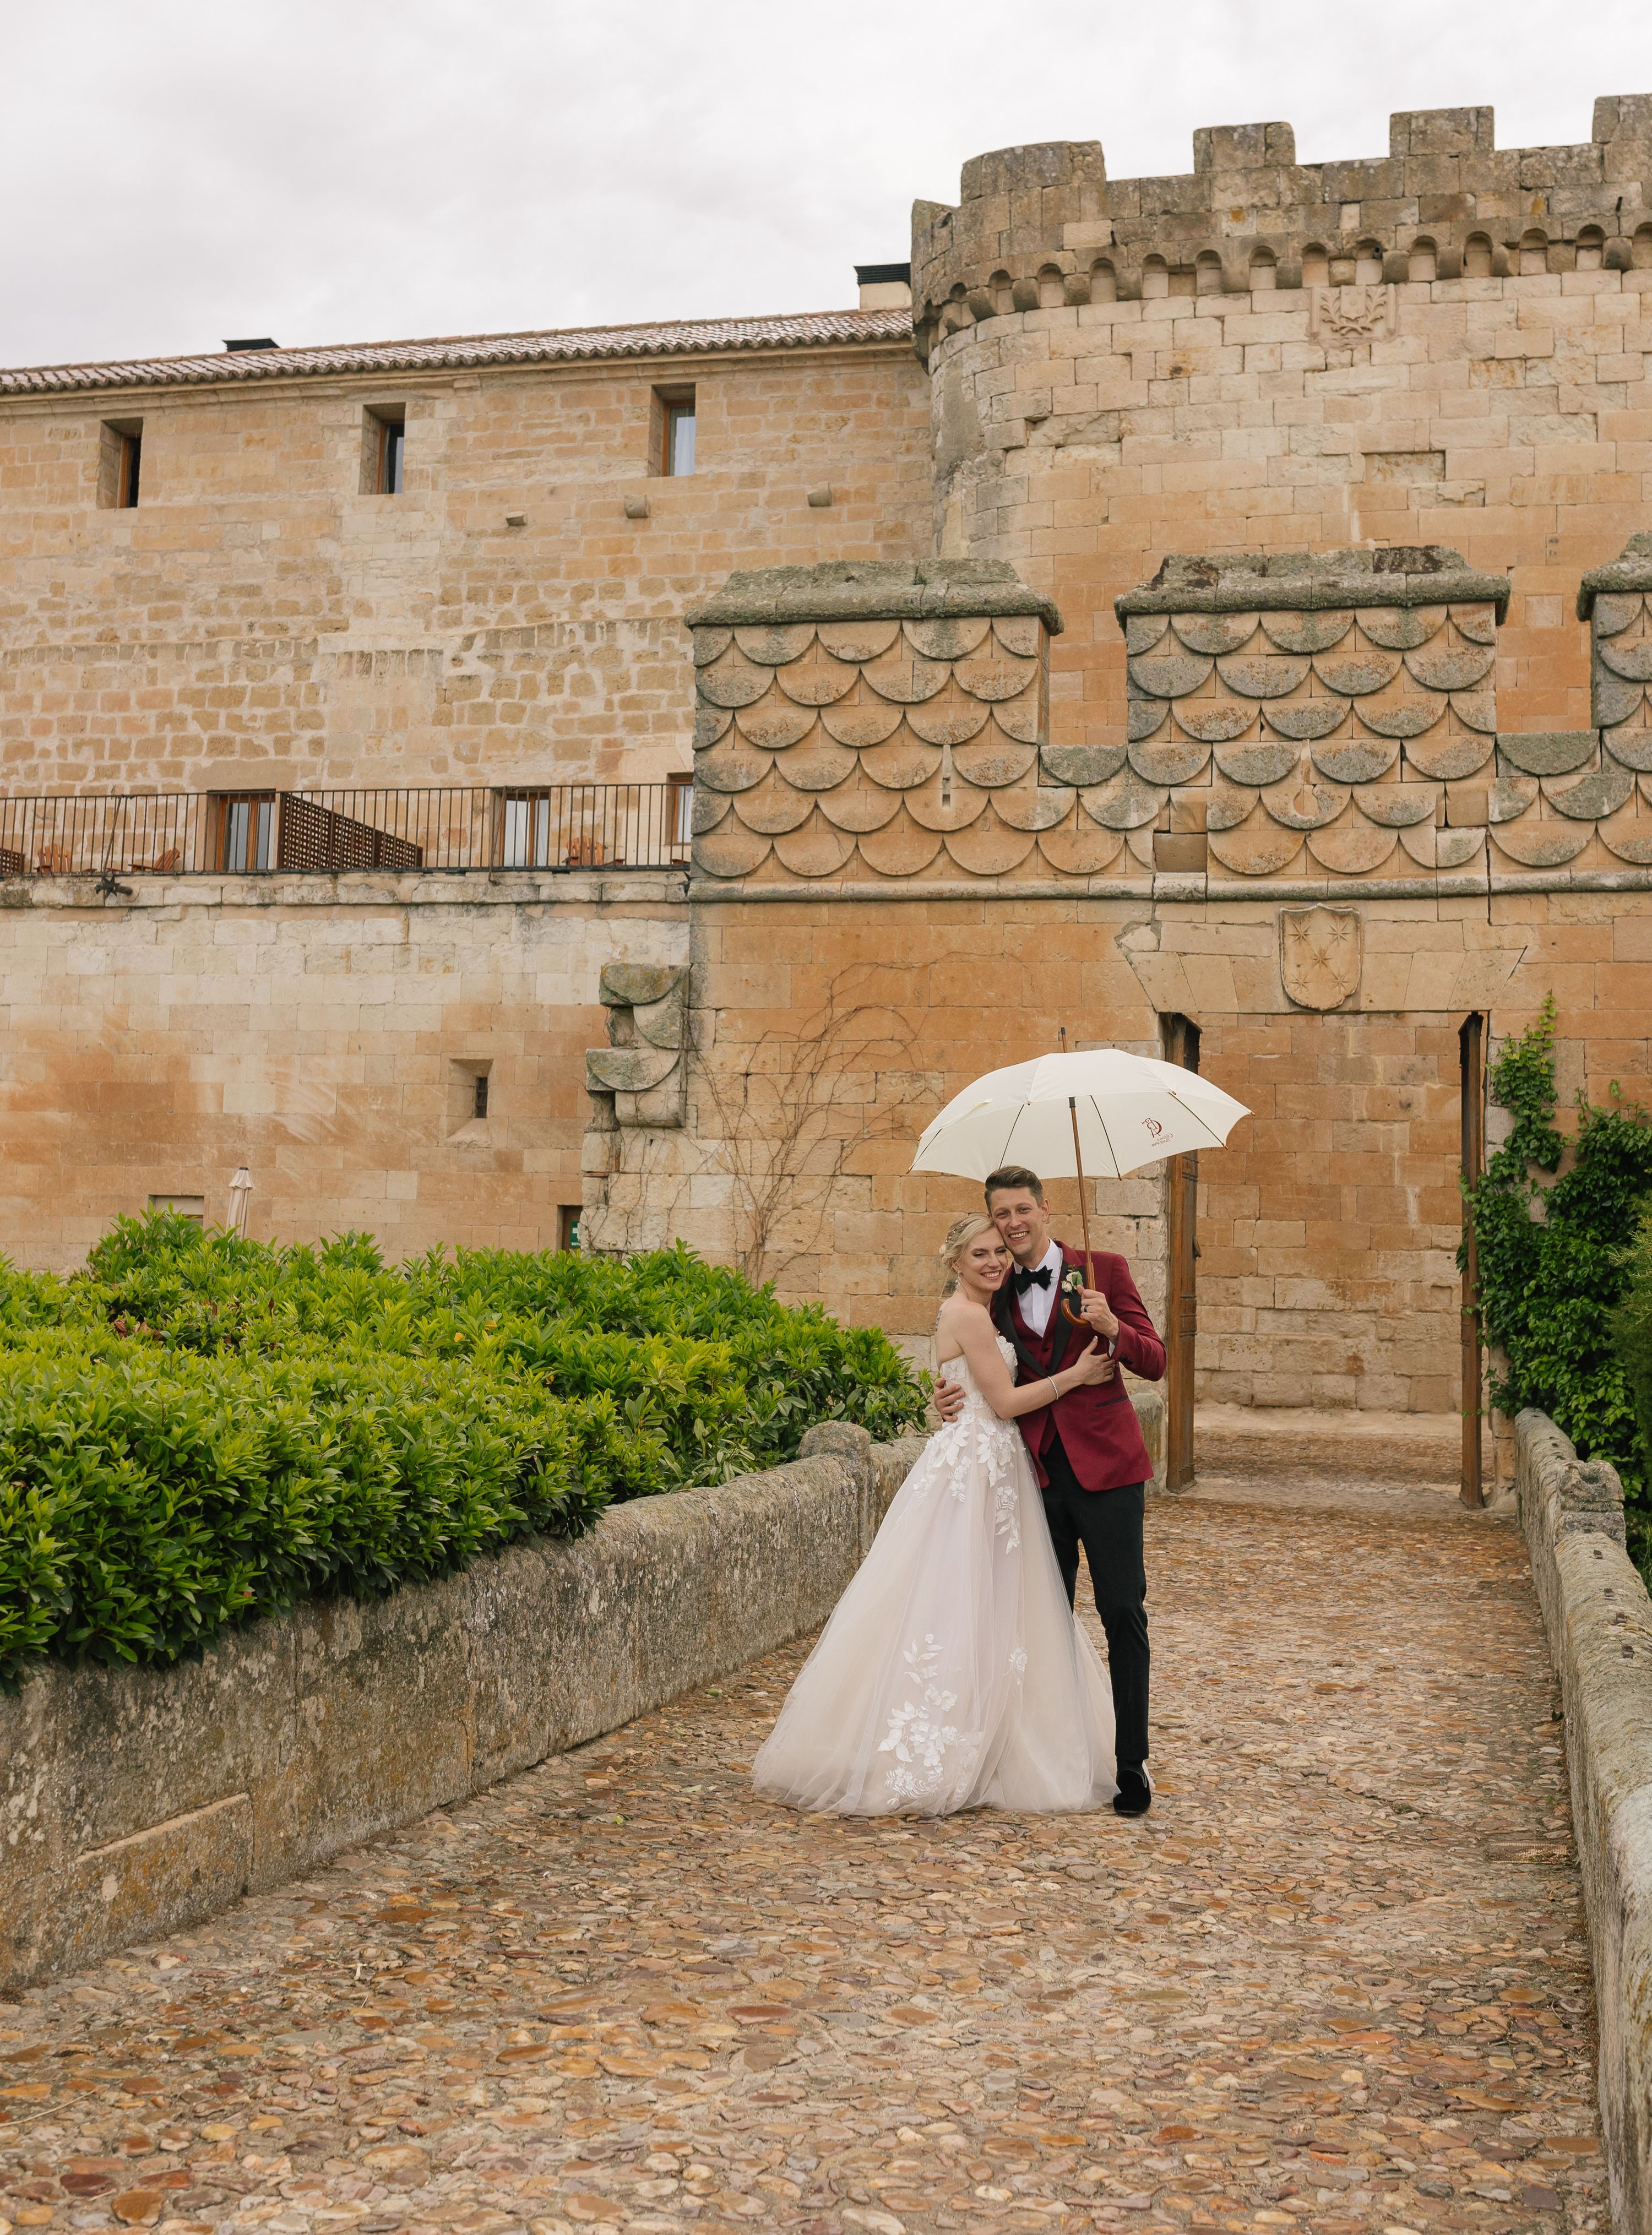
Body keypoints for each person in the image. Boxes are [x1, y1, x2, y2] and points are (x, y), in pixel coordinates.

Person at [751, 1214, 1120, 1818]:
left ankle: (993, 1733)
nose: (996, 1261)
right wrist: (1076, 1377)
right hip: (973, 1473)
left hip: (992, 1470)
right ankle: (945, 1746)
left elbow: (957, 1385)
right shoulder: (968, 1314)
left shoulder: (980, 1313)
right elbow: (1002, 1403)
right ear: (955, 1263)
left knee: (993, 1601)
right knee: (958, 1599)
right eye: (980, 1254)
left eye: (1000, 1251)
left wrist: (942, 1396)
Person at [933, 1165, 1165, 1817]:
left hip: (1110, 1471)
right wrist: (943, 1396)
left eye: (1022, 1211)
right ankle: (1050, 1756)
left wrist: (1114, 1327)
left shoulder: (1106, 1269)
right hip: (1031, 1475)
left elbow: (1156, 1358)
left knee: (1123, 1612)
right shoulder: (995, 1289)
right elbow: (972, 1363)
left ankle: (1131, 1764)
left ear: (1045, 1209)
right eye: (1001, 1215)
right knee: (1042, 1619)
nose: (1012, 1225)